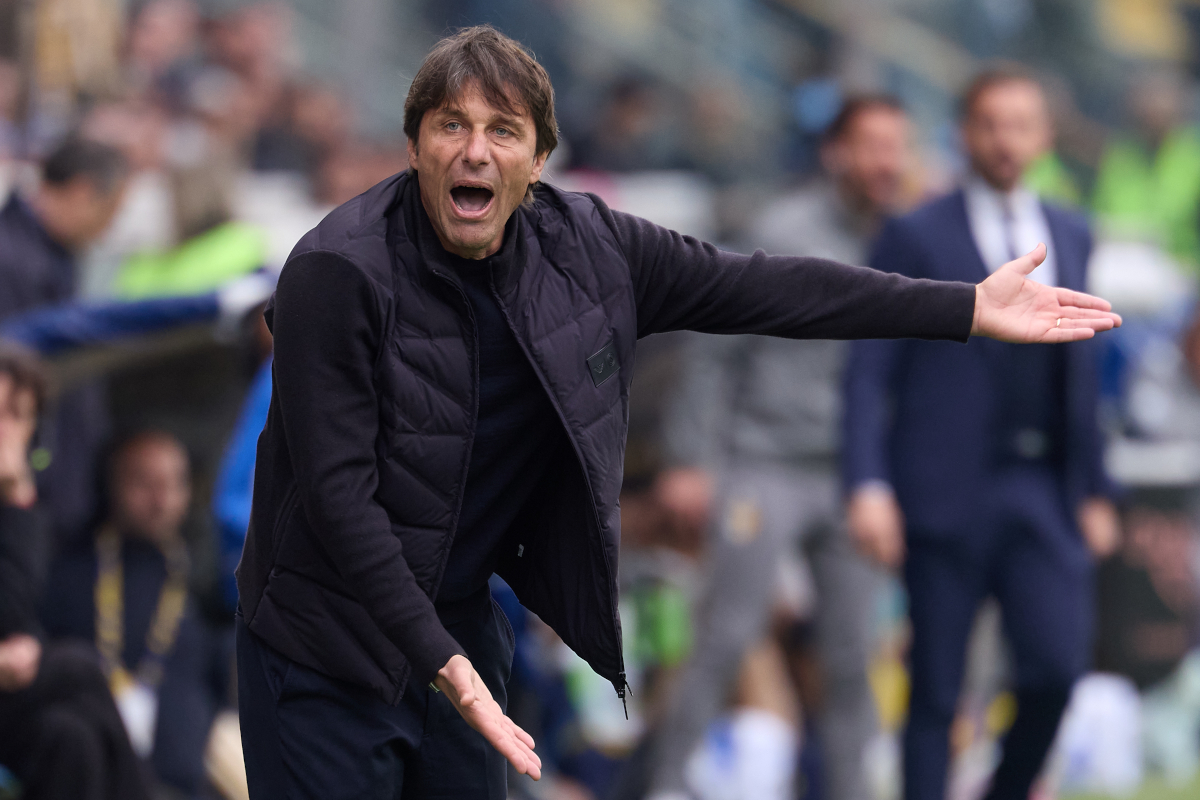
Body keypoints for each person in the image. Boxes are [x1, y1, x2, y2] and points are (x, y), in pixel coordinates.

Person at [234, 27, 1120, 800]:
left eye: (502, 130)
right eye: (450, 126)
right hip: (324, 639)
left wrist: (961, 307)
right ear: (415, 145)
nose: (475, 151)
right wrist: (450, 670)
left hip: (459, 621)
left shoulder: (590, 246)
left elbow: (763, 287)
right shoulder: (336, 274)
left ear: (539, 160)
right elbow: (339, 501)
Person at [842, 66, 1121, 800]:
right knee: (935, 689)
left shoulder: (1071, 227)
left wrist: (1094, 487)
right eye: (990, 123)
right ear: (965, 133)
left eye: (1021, 124)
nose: (1005, 140)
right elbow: (871, 368)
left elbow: (1084, 370)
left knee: (1056, 670)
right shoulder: (914, 231)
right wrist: (868, 482)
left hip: (1043, 487)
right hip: (943, 489)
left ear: (1046, 135)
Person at [650, 95, 913, 800]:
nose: (886, 162)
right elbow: (712, 349)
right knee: (725, 636)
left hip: (853, 479)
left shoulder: (906, 242)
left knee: (853, 656)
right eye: (872, 145)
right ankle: (665, 785)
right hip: (762, 464)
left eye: (897, 147)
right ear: (837, 153)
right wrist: (689, 458)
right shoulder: (783, 231)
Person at [0, 345, 151, 800]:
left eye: (22, 418)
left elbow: (15, 610)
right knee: (78, 667)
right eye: (3, 412)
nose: (10, 432)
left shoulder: (20, 510)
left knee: (72, 737)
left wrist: (17, 496)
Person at [42, 431, 227, 798]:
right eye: (144, 482)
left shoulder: (205, 578)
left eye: (175, 483)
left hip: (186, 780)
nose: (162, 500)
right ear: (109, 483)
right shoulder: (68, 572)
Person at [0, 137, 129, 546]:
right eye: (111, 211)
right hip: (26, 495)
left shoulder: (53, 256)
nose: (109, 227)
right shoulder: (12, 260)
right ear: (82, 191)